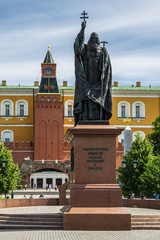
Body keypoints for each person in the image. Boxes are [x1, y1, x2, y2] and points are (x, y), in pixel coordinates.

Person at [73, 21, 112, 125]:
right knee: (86, 95)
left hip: (98, 77)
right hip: (86, 76)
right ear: (89, 39)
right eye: (92, 38)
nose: (94, 40)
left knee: (97, 96)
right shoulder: (85, 48)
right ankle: (84, 116)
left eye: (96, 39)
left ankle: (100, 117)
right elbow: (78, 49)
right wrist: (82, 30)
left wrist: (104, 62)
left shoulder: (103, 50)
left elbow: (107, 65)